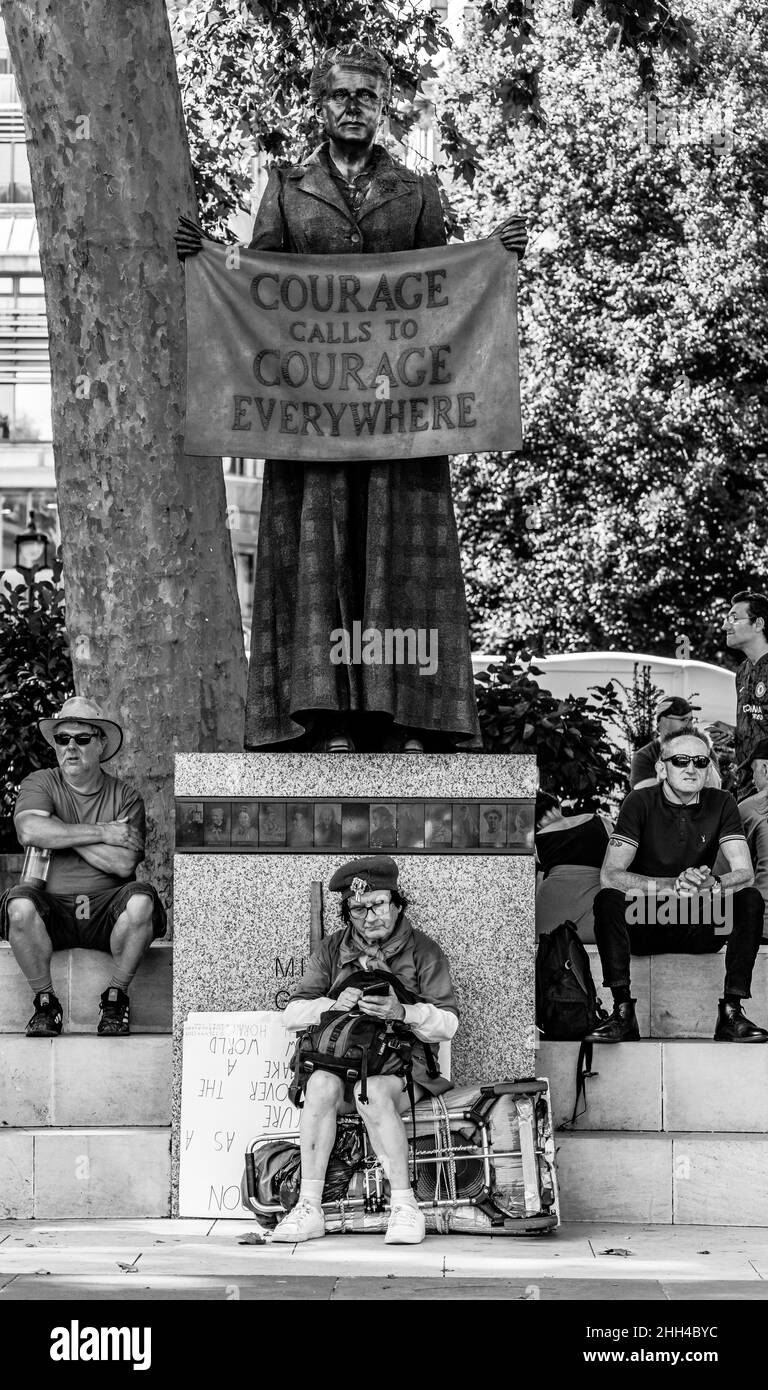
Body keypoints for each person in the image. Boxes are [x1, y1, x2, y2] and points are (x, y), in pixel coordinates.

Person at [176, 40, 526, 755]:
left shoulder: (419, 190)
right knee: (319, 559)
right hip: (312, 419)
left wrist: (494, 251)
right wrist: (213, 257)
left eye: (367, 96)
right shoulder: (283, 185)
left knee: (402, 563)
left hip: (401, 420)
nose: (354, 109)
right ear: (319, 103)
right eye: (341, 96)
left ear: (384, 106)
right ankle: (323, 716)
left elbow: (444, 288)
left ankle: (409, 715)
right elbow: (262, 281)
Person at [274, 855, 458, 1245]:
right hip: (342, 1064)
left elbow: (449, 1023)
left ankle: (404, 1207)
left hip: (403, 1071)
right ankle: (308, 1207)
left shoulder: (423, 950)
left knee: (372, 1093)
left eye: (378, 904)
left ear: (396, 902)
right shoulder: (331, 949)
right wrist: (335, 1005)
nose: (370, 916)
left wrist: (403, 1011)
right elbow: (291, 1013)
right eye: (358, 909)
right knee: (320, 1085)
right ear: (347, 913)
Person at [585, 729, 766, 1044]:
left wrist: (714, 884)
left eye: (700, 761)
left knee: (749, 899)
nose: (691, 768)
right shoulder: (639, 801)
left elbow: (745, 873)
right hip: (647, 921)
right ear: (661, 768)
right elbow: (610, 875)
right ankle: (623, 1013)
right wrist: (671, 885)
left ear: (709, 767)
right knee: (608, 900)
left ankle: (732, 1014)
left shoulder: (722, 802)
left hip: (698, 922)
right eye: (680, 760)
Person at [0, 697, 167, 1037]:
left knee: (141, 903)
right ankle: (46, 1003)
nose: (70, 748)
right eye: (62, 739)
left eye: (81, 739)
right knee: (18, 906)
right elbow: (30, 830)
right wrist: (103, 832)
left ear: (101, 743)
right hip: (51, 909)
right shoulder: (40, 782)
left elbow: (123, 864)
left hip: (108, 910)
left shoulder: (126, 796)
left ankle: (115, 997)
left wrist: (59, 832)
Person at [710, 591, 768, 795]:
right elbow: (760, 726)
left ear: (758, 624)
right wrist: (732, 733)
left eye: (733, 619)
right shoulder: (742, 671)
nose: (726, 626)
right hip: (745, 786)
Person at [535, 794, 612, 939]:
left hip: (552, 915)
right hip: (597, 909)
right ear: (557, 806)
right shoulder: (600, 821)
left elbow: (540, 881)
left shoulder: (537, 840)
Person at [630, 696, 712, 788]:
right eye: (683, 720)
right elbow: (648, 797)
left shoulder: (703, 749)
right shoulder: (644, 757)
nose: (690, 726)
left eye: (690, 720)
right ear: (662, 722)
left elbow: (716, 789)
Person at [736, 737, 768, 933]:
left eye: (753, 770)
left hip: (763, 924)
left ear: (765, 768)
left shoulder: (749, 808)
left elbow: (726, 872)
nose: (753, 780)